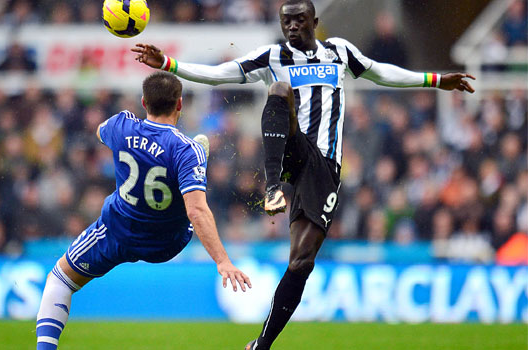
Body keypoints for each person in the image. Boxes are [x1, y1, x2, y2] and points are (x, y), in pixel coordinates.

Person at [132, 1, 476, 349]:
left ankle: (262, 344)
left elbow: (380, 71)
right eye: (286, 22)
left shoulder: (339, 51)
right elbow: (221, 73)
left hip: (325, 167)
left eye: (299, 20)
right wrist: (168, 65)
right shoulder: (273, 56)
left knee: (301, 261)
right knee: (279, 91)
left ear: (314, 21)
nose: (292, 27)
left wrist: (434, 79)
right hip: (293, 151)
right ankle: (272, 188)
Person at [35, 71, 252, 350]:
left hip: (116, 232)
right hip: (166, 242)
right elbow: (197, 211)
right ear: (180, 104)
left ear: (143, 102)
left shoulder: (121, 125)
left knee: (60, 279)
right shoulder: (184, 148)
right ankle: (189, 176)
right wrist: (222, 261)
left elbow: (100, 131)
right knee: (186, 188)